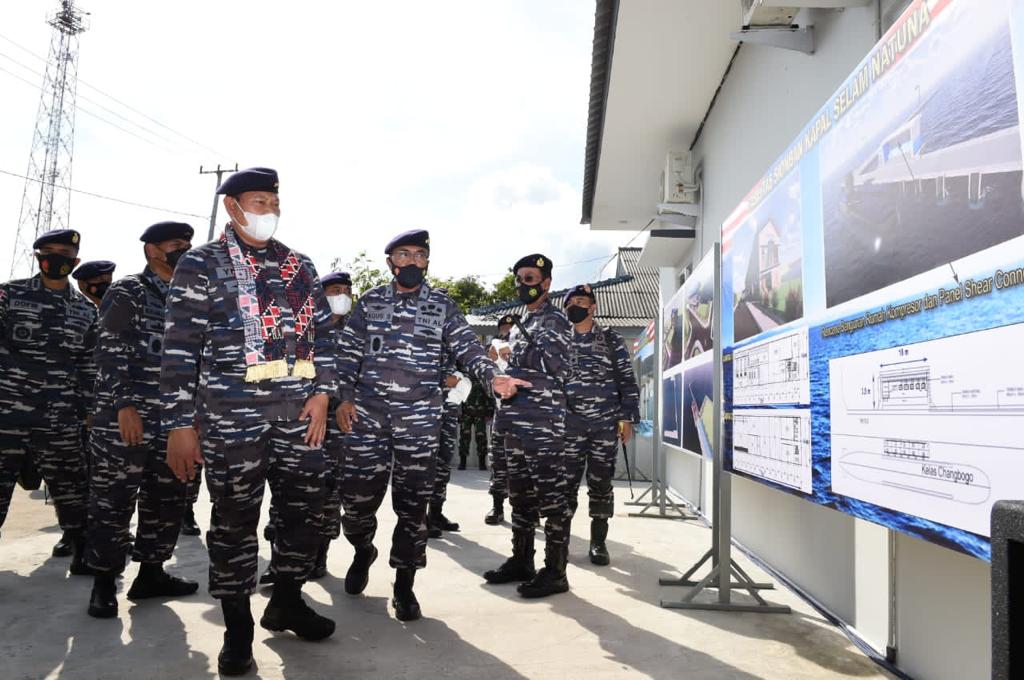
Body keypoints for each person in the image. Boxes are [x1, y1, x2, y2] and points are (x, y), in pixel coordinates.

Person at [161, 167, 338, 676]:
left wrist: (324, 393)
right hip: (231, 418)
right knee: (235, 521)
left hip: (301, 417)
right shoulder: (201, 265)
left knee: (303, 514)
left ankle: (285, 599)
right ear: (232, 207)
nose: (268, 211)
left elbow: (325, 337)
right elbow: (179, 350)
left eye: (273, 202)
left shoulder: (299, 266)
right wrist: (178, 423)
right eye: (258, 201)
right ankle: (237, 626)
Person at [335, 229, 526, 622]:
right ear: (390, 262)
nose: (411, 261)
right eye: (403, 254)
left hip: (420, 420)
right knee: (355, 503)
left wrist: (492, 376)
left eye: (419, 255)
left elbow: (469, 348)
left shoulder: (442, 305)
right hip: (368, 418)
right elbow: (347, 355)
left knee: (412, 509)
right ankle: (362, 549)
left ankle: (404, 584)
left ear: (426, 262)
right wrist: (343, 399)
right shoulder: (370, 302)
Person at [85, 221, 199, 618]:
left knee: (167, 498)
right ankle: (103, 583)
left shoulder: (192, 297)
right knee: (113, 499)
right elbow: (109, 348)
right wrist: (123, 405)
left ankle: (151, 572)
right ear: (153, 250)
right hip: (128, 417)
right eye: (176, 244)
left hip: (175, 421)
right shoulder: (128, 290)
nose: (184, 249)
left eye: (187, 244)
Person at [0, 228, 97, 573]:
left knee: (72, 487)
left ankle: (82, 551)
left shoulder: (85, 311)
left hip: (60, 416)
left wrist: (88, 411)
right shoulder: (8, 295)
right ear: (37, 255)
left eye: (64, 254)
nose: (57, 258)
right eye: (49, 251)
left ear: (76, 261)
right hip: (6, 413)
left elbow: (88, 366)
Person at [483, 255, 574, 598]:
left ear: (546, 283)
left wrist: (512, 357)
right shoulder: (525, 321)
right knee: (520, 496)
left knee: (551, 499)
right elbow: (517, 367)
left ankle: (555, 571)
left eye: (531, 277)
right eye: (520, 278)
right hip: (515, 422)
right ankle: (522, 559)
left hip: (542, 423)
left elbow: (554, 366)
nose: (524, 284)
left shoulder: (555, 321)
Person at [261, 270, 354, 584]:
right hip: (300, 422)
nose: (340, 295)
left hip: (340, 426)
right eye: (333, 290)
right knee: (289, 491)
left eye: (345, 290)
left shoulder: (359, 333)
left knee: (329, 494)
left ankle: (319, 557)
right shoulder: (302, 329)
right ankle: (279, 563)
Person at [562, 284, 640, 565]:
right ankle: (562, 541)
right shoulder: (559, 339)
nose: (574, 306)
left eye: (580, 301)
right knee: (565, 485)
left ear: (593, 307)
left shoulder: (610, 340)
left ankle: (598, 543)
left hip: (604, 425)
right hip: (568, 425)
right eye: (570, 302)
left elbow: (627, 381)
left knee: (601, 483)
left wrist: (627, 417)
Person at [427, 353, 469, 538]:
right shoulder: (423, 329)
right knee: (424, 464)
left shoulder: (454, 335)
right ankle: (419, 517)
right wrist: (444, 380)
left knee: (443, 463)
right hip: (425, 409)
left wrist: (460, 379)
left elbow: (467, 369)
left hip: (449, 409)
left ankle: (435, 513)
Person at [484, 314, 517, 525]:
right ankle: (497, 507)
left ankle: (527, 510)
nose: (507, 330)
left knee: (524, 466)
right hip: (502, 416)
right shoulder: (492, 353)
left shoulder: (525, 353)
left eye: (511, 328)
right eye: (503, 328)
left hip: (524, 418)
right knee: (498, 462)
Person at [457, 375, 492, 471]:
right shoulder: (464, 377)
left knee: (481, 438)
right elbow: (458, 395)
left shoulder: (483, 377)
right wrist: (459, 412)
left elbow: (489, 395)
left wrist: (490, 411)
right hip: (466, 413)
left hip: (480, 413)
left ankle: (482, 463)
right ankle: (462, 462)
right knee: (464, 437)